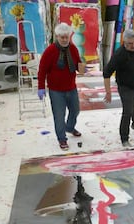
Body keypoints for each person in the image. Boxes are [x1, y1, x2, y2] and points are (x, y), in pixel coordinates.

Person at [38, 22, 84, 150]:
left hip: (71, 87)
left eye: (66, 37)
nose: (64, 39)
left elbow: (78, 63)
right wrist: (41, 87)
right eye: (62, 37)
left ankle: (69, 127)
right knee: (59, 115)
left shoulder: (73, 49)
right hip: (56, 90)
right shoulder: (50, 51)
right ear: (57, 37)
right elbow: (42, 70)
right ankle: (62, 138)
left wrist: (81, 66)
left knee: (75, 110)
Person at [103, 29, 134, 147]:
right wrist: (108, 92)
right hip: (125, 86)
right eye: (129, 43)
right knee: (128, 111)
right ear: (124, 43)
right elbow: (106, 73)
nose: (133, 45)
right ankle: (124, 138)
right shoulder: (119, 55)